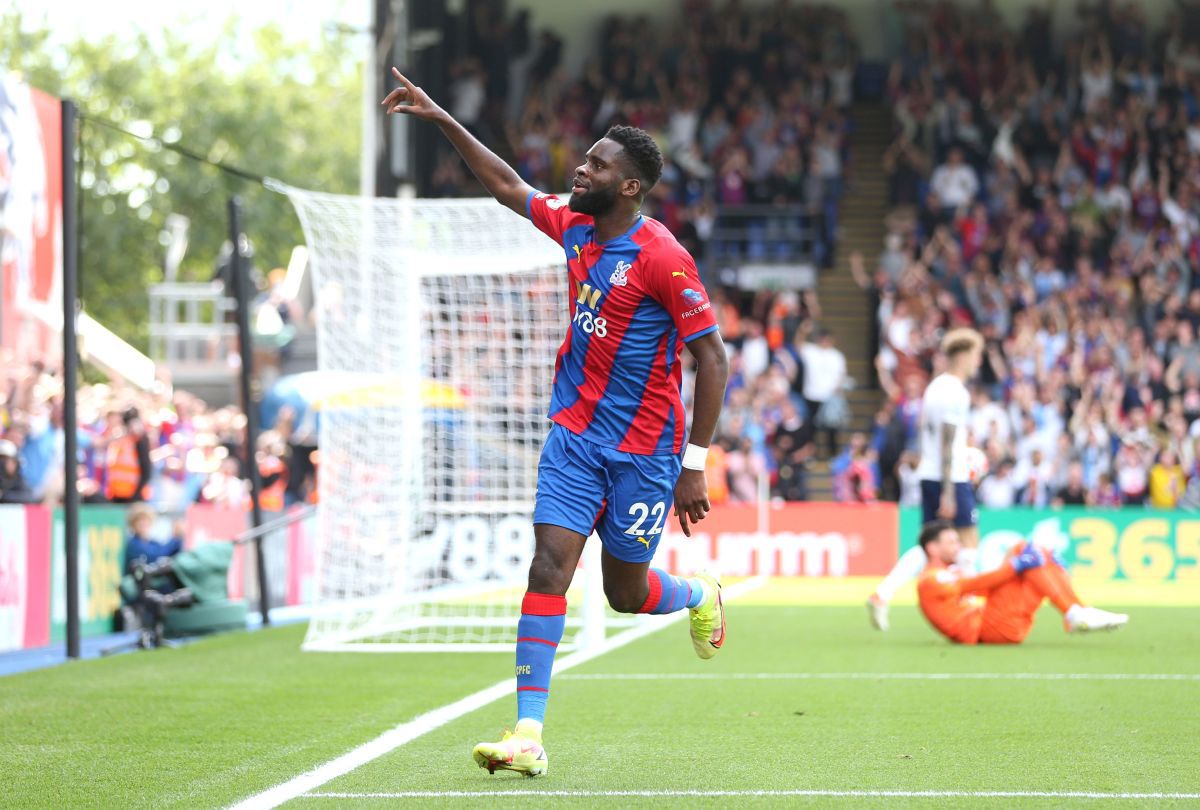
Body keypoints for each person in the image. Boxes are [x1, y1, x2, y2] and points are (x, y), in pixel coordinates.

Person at [382, 67, 730, 777]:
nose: (582, 165)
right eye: (588, 156)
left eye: (598, 163)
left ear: (629, 186)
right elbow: (511, 186)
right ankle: (528, 734)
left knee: (625, 595)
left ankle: (697, 593)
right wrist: (442, 116)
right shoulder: (573, 224)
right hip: (573, 437)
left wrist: (694, 464)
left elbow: (713, 359)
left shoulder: (663, 258)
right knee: (548, 565)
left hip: (645, 453)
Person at [867, 329, 983, 631]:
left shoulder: (934, 388)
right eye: (976, 356)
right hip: (950, 477)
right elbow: (947, 438)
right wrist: (948, 489)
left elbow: (923, 431)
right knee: (969, 539)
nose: (977, 362)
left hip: (929, 473)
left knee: (928, 544)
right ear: (965, 356)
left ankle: (883, 593)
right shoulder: (955, 391)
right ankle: (966, 601)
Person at [915, 521, 1128, 644]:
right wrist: (1014, 564)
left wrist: (1018, 564)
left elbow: (984, 588)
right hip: (986, 629)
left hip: (999, 625)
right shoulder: (930, 580)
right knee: (1023, 551)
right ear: (932, 548)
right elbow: (975, 586)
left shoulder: (950, 573)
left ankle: (1077, 611)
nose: (958, 547)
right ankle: (1074, 612)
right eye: (951, 542)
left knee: (1033, 552)